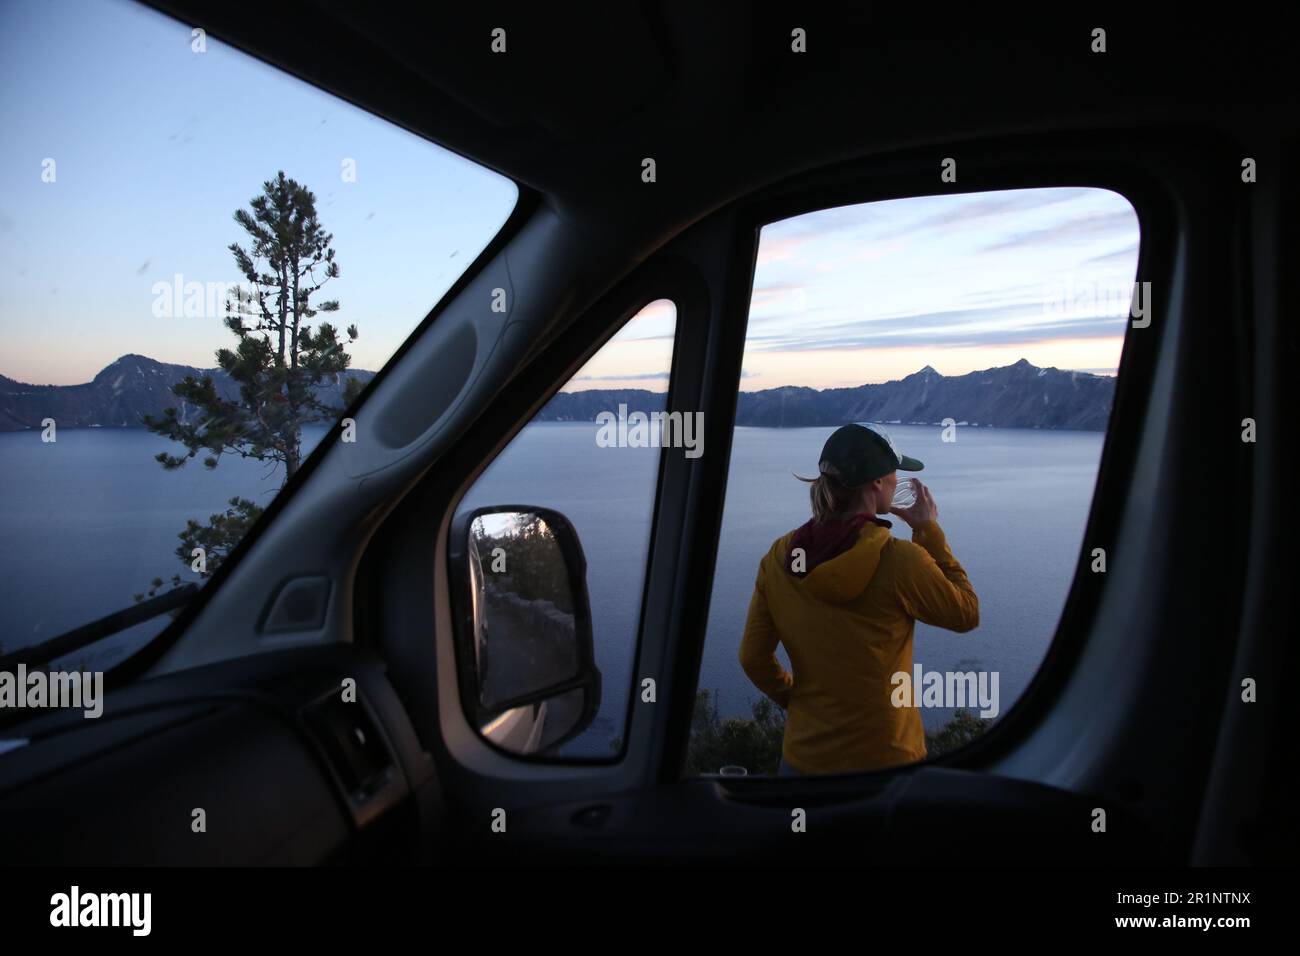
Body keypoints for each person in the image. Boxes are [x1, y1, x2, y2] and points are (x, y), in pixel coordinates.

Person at [738, 422, 979, 776]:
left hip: (803, 760)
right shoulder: (898, 560)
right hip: (885, 761)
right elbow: (966, 613)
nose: (898, 481)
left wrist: (800, 703)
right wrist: (928, 531)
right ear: (877, 483)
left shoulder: (779, 557)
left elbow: (752, 657)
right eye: (894, 473)